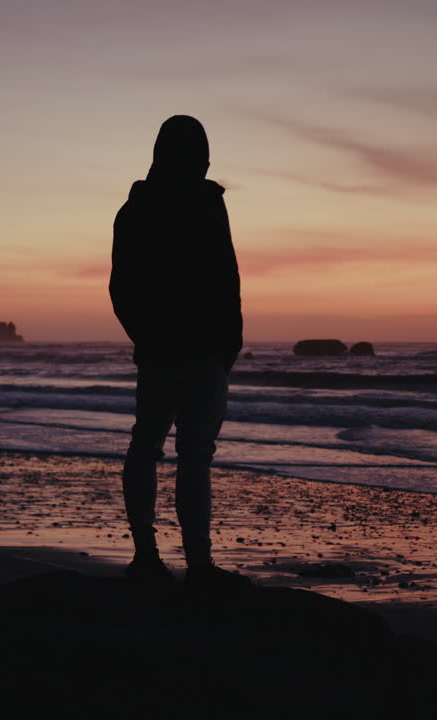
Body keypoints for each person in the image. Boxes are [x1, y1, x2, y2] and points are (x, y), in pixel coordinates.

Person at [109, 115, 245, 589]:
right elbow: (227, 279)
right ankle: (197, 565)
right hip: (199, 349)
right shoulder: (206, 205)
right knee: (191, 455)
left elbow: (121, 289)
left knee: (147, 448)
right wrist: (228, 344)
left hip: (167, 351)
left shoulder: (135, 209)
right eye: (201, 152)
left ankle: (148, 556)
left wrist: (146, 337)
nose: (207, 161)